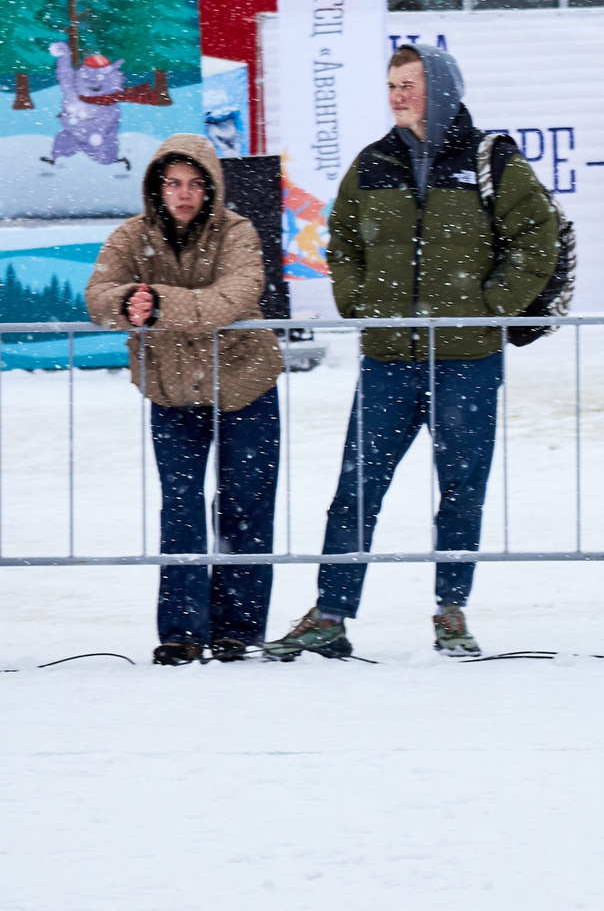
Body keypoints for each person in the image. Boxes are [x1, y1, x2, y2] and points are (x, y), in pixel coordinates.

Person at [266, 45, 563, 661]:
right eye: (392, 84)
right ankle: (329, 614)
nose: (398, 94)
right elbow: (340, 238)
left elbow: (540, 236)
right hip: (388, 362)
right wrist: (358, 300)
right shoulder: (373, 163)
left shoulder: (491, 160)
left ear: (443, 89)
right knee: (356, 489)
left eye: (411, 84)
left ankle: (451, 611)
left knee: (461, 488)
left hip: (467, 361)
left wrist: (493, 305)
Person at [84, 134, 284, 665]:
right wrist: (128, 300)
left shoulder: (238, 232)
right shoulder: (132, 236)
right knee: (181, 508)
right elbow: (97, 295)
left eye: (195, 183)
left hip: (245, 382)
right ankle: (181, 632)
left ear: (212, 187)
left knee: (245, 506)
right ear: (157, 186)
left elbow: (233, 297)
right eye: (173, 183)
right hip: (172, 390)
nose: (184, 193)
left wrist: (159, 305)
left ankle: (237, 629)